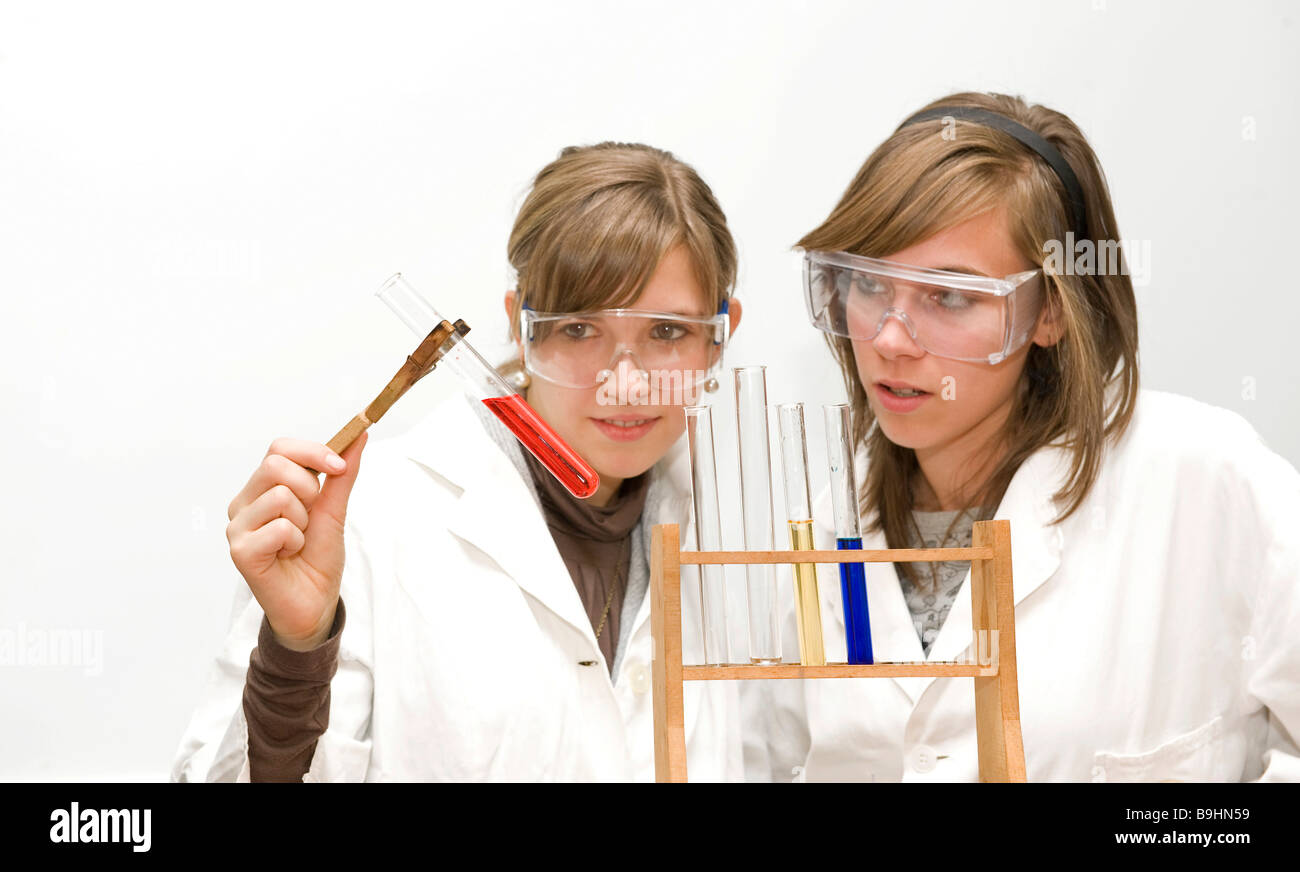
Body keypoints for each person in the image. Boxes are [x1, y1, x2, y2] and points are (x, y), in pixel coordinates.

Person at [754, 92, 1300, 782]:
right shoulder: (825, 524)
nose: (890, 338)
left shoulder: (1206, 481)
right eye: (867, 282)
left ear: (1050, 311)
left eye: (948, 295)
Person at [171, 142, 746, 781]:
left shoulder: (742, 531)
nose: (627, 385)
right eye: (580, 329)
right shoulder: (367, 521)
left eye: (667, 332)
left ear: (721, 335)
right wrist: (299, 650)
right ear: (519, 327)